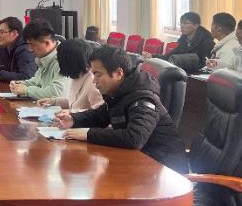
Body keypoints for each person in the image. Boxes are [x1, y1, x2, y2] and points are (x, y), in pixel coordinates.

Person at [57, 45, 188, 173]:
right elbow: (100, 116)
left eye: (98, 75)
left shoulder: (143, 98)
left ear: (119, 73)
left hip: (164, 171)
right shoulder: (121, 93)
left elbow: (134, 138)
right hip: (142, 164)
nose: (94, 81)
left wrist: (88, 134)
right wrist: (73, 120)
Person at [32, 38, 103, 110]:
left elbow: (99, 112)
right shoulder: (77, 76)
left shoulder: (93, 82)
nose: (58, 62)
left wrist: (72, 113)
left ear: (69, 62)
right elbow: (74, 102)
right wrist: (53, 101)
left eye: (59, 59)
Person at [10, 21, 70, 100]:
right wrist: (21, 84)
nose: (30, 50)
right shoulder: (45, 57)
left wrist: (27, 90)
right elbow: (38, 81)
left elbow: (58, 92)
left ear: (47, 43)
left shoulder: (63, 59)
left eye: (32, 45)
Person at [146, 11, 214, 74]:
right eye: (181, 23)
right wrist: (153, 56)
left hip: (196, 77)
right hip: (181, 73)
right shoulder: (183, 40)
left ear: (196, 26)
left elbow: (206, 65)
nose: (182, 26)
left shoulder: (207, 42)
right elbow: (169, 56)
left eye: (185, 23)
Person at [0, 16, 37, 82]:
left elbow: (27, 76)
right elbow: (13, 69)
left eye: (1, 32)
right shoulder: (9, 47)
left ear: (14, 33)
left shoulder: (24, 49)